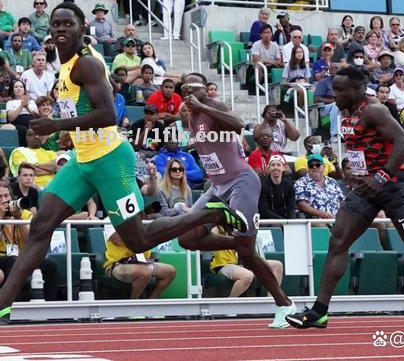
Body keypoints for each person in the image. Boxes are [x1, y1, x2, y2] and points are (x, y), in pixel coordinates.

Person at [0, 0, 246, 325]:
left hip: (110, 161)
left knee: (138, 240)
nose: (62, 29)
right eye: (56, 24)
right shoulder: (64, 67)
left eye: (69, 23)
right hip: (83, 161)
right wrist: (68, 133)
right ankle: (1, 305)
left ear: (83, 28)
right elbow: (81, 112)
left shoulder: (87, 64)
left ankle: (209, 213)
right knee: (40, 226)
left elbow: (109, 114)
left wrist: (57, 127)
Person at [286, 66, 404, 329]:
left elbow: (403, 144)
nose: (334, 95)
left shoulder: (374, 110)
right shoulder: (343, 110)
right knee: (338, 239)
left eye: (340, 90)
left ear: (358, 90)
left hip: (392, 186)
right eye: (333, 89)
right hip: (364, 189)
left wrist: (380, 177)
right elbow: (360, 145)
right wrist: (354, 170)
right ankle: (319, 311)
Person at [175, 74, 296, 329]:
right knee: (187, 238)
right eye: (184, 89)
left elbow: (239, 124)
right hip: (217, 187)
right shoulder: (190, 117)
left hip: (241, 180)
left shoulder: (213, 106)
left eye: (193, 89)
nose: (188, 93)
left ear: (205, 90)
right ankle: (241, 243)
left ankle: (284, 305)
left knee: (247, 256)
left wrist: (203, 106)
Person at [0, 184, 58, 301]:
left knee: (50, 265)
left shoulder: (25, 214)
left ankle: (49, 306)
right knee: (12, 260)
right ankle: (12, 304)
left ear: (12, 198)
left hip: (23, 258)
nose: (4, 200)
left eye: (6, 196)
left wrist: (18, 219)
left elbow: (31, 242)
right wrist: (0, 217)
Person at [104, 229, 177, 299]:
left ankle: (150, 303)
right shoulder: (112, 219)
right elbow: (117, 240)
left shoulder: (140, 222)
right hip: (118, 264)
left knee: (170, 271)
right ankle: (134, 304)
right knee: (144, 272)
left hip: (141, 261)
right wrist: (138, 230)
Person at [258, 155, 296, 219]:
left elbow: (291, 208)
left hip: (286, 220)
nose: (275, 168)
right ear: (269, 168)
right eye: (273, 165)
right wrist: (281, 221)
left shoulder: (289, 186)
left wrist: (290, 223)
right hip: (268, 221)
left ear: (283, 168)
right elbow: (264, 210)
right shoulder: (262, 186)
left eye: (278, 165)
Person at [6, 80, 38, 146]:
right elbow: (11, 118)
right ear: (12, 90)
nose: (18, 88)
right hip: (17, 123)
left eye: (21, 87)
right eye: (16, 87)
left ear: (24, 89)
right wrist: (21, 106)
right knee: (22, 129)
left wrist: (27, 107)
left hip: (30, 122)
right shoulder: (10, 103)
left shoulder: (31, 102)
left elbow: (37, 115)